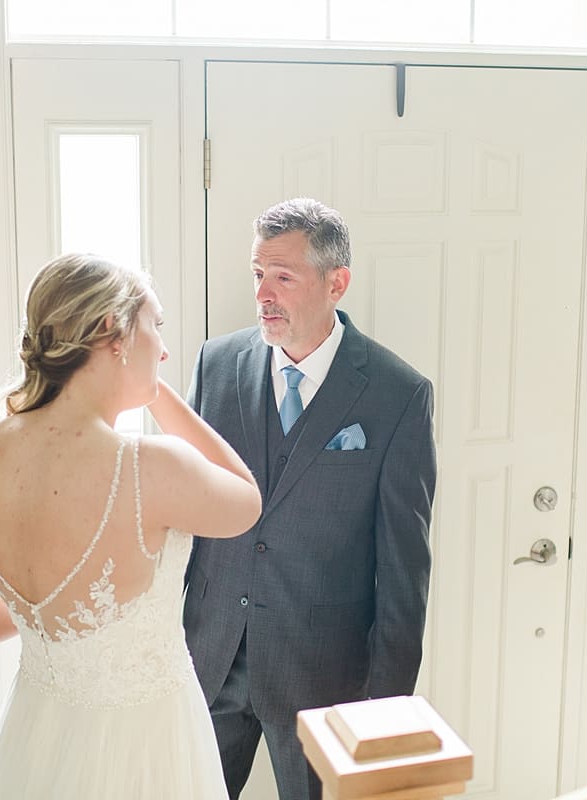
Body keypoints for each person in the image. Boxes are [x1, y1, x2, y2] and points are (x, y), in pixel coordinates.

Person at [0, 253, 262, 798]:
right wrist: (161, 397)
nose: (164, 347)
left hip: (36, 736)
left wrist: (55, 625)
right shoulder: (150, 466)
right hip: (150, 746)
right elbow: (246, 500)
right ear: (114, 333)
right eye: (155, 325)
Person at [183, 198, 438, 799]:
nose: (263, 294)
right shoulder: (215, 365)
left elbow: (405, 570)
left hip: (323, 678)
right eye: (258, 275)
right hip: (211, 659)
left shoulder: (398, 395)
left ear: (336, 283)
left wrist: (385, 710)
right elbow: (188, 514)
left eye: (283, 277)